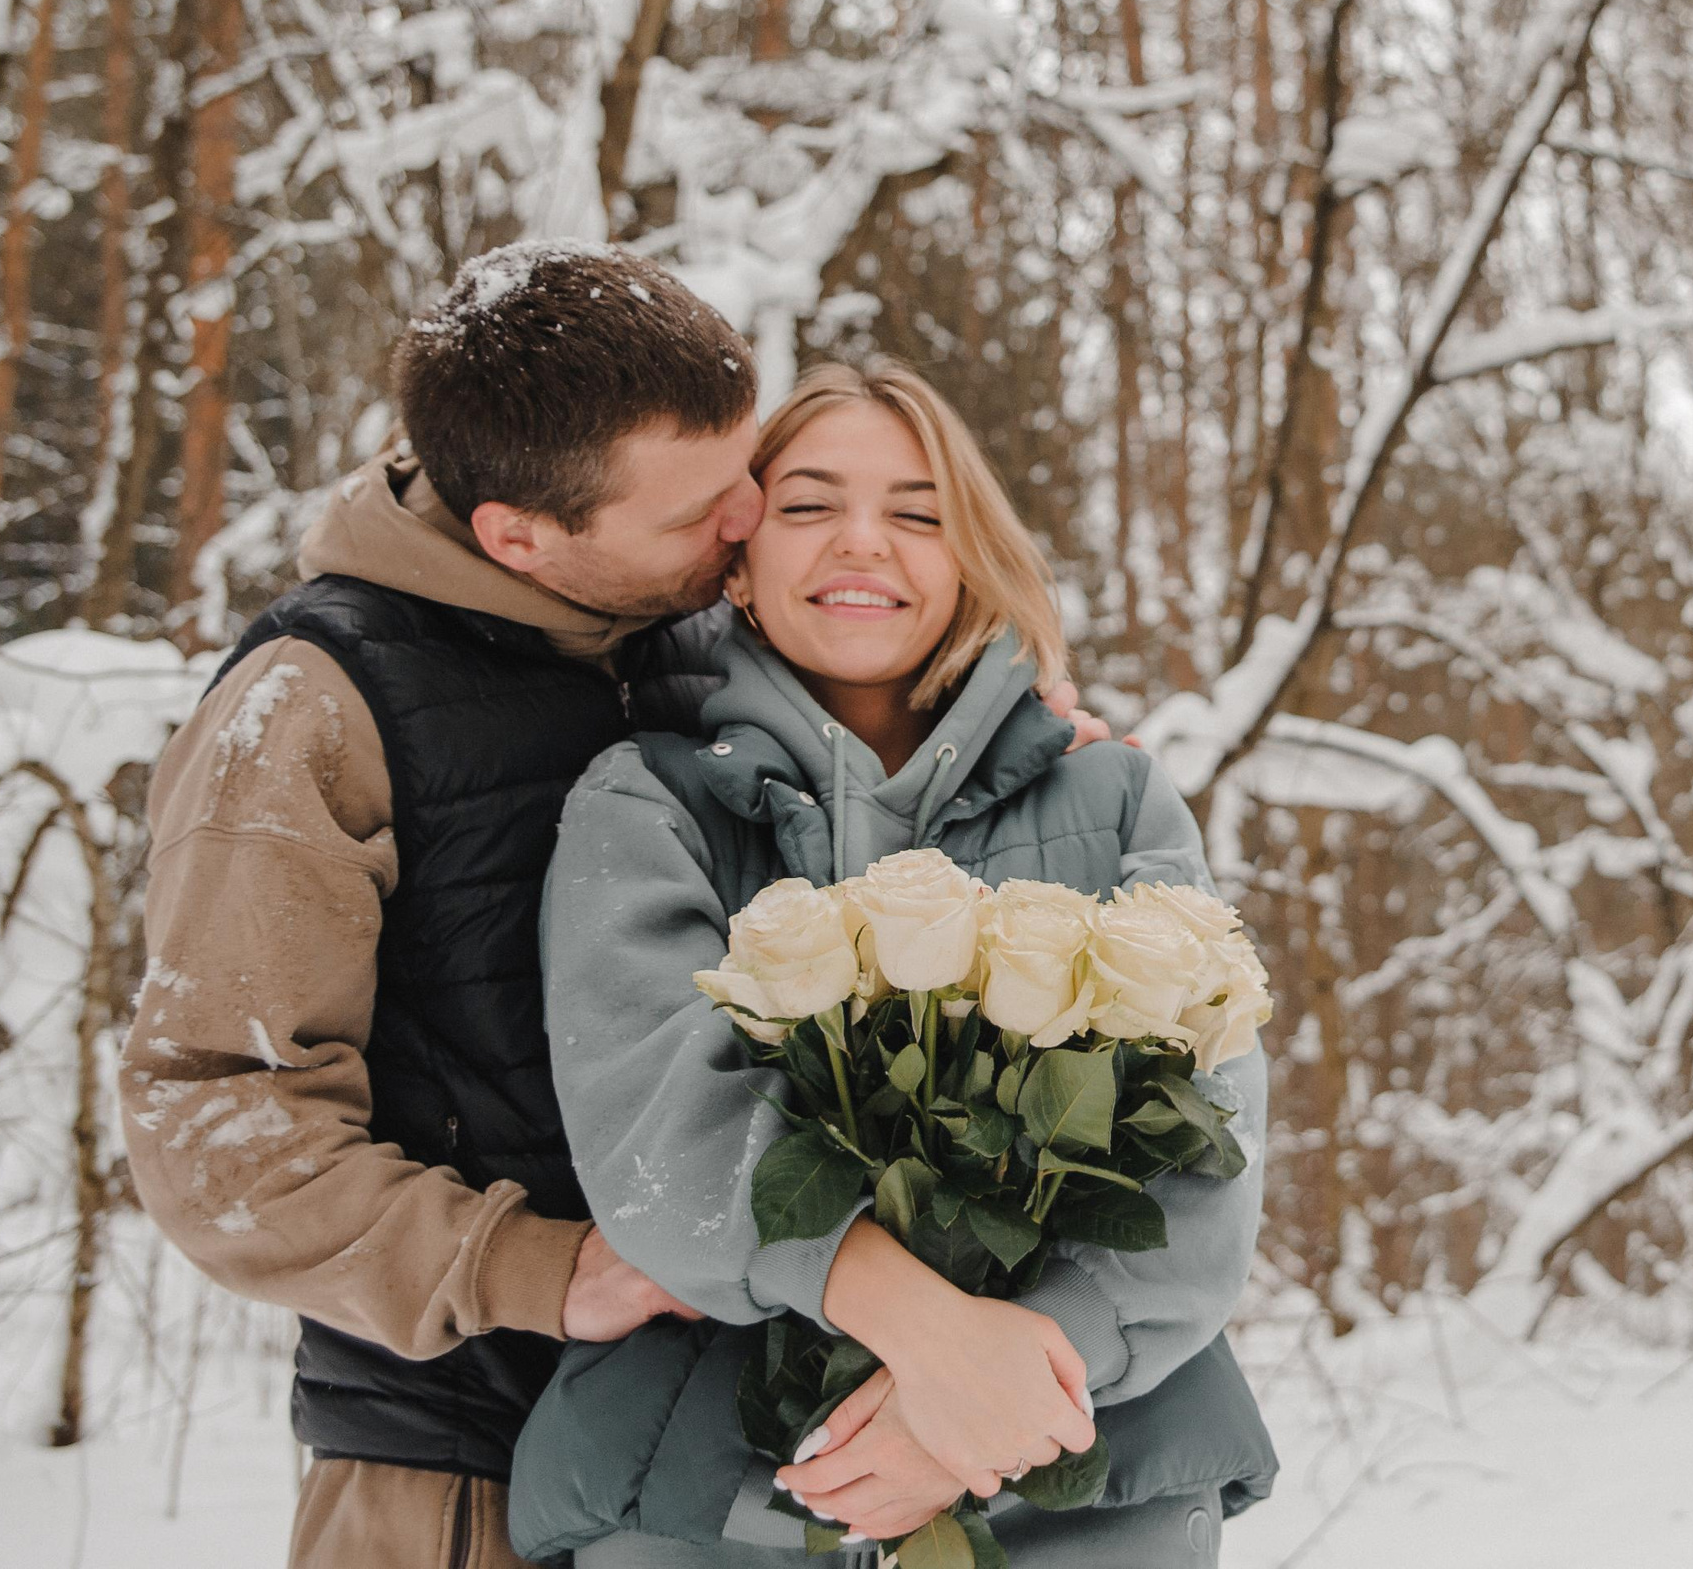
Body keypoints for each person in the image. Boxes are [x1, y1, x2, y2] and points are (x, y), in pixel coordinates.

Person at [120, 246, 1111, 1569]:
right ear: (519, 538)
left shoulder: (679, 629)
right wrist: (529, 1268)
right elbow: (212, 1127)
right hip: (456, 1471)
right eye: (701, 508)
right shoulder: (313, 707)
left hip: (740, 1455)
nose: (753, 517)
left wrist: (996, 739)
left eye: (746, 468)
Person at [509, 357, 1275, 1568]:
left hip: (1083, 1467)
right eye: (809, 505)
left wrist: (980, 1410)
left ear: (970, 550)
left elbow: (1207, 1142)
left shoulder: (1116, 796)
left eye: (919, 512)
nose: (864, 542)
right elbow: (655, 1123)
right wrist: (923, 1330)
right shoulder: (644, 799)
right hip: (707, 1490)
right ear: (739, 560)